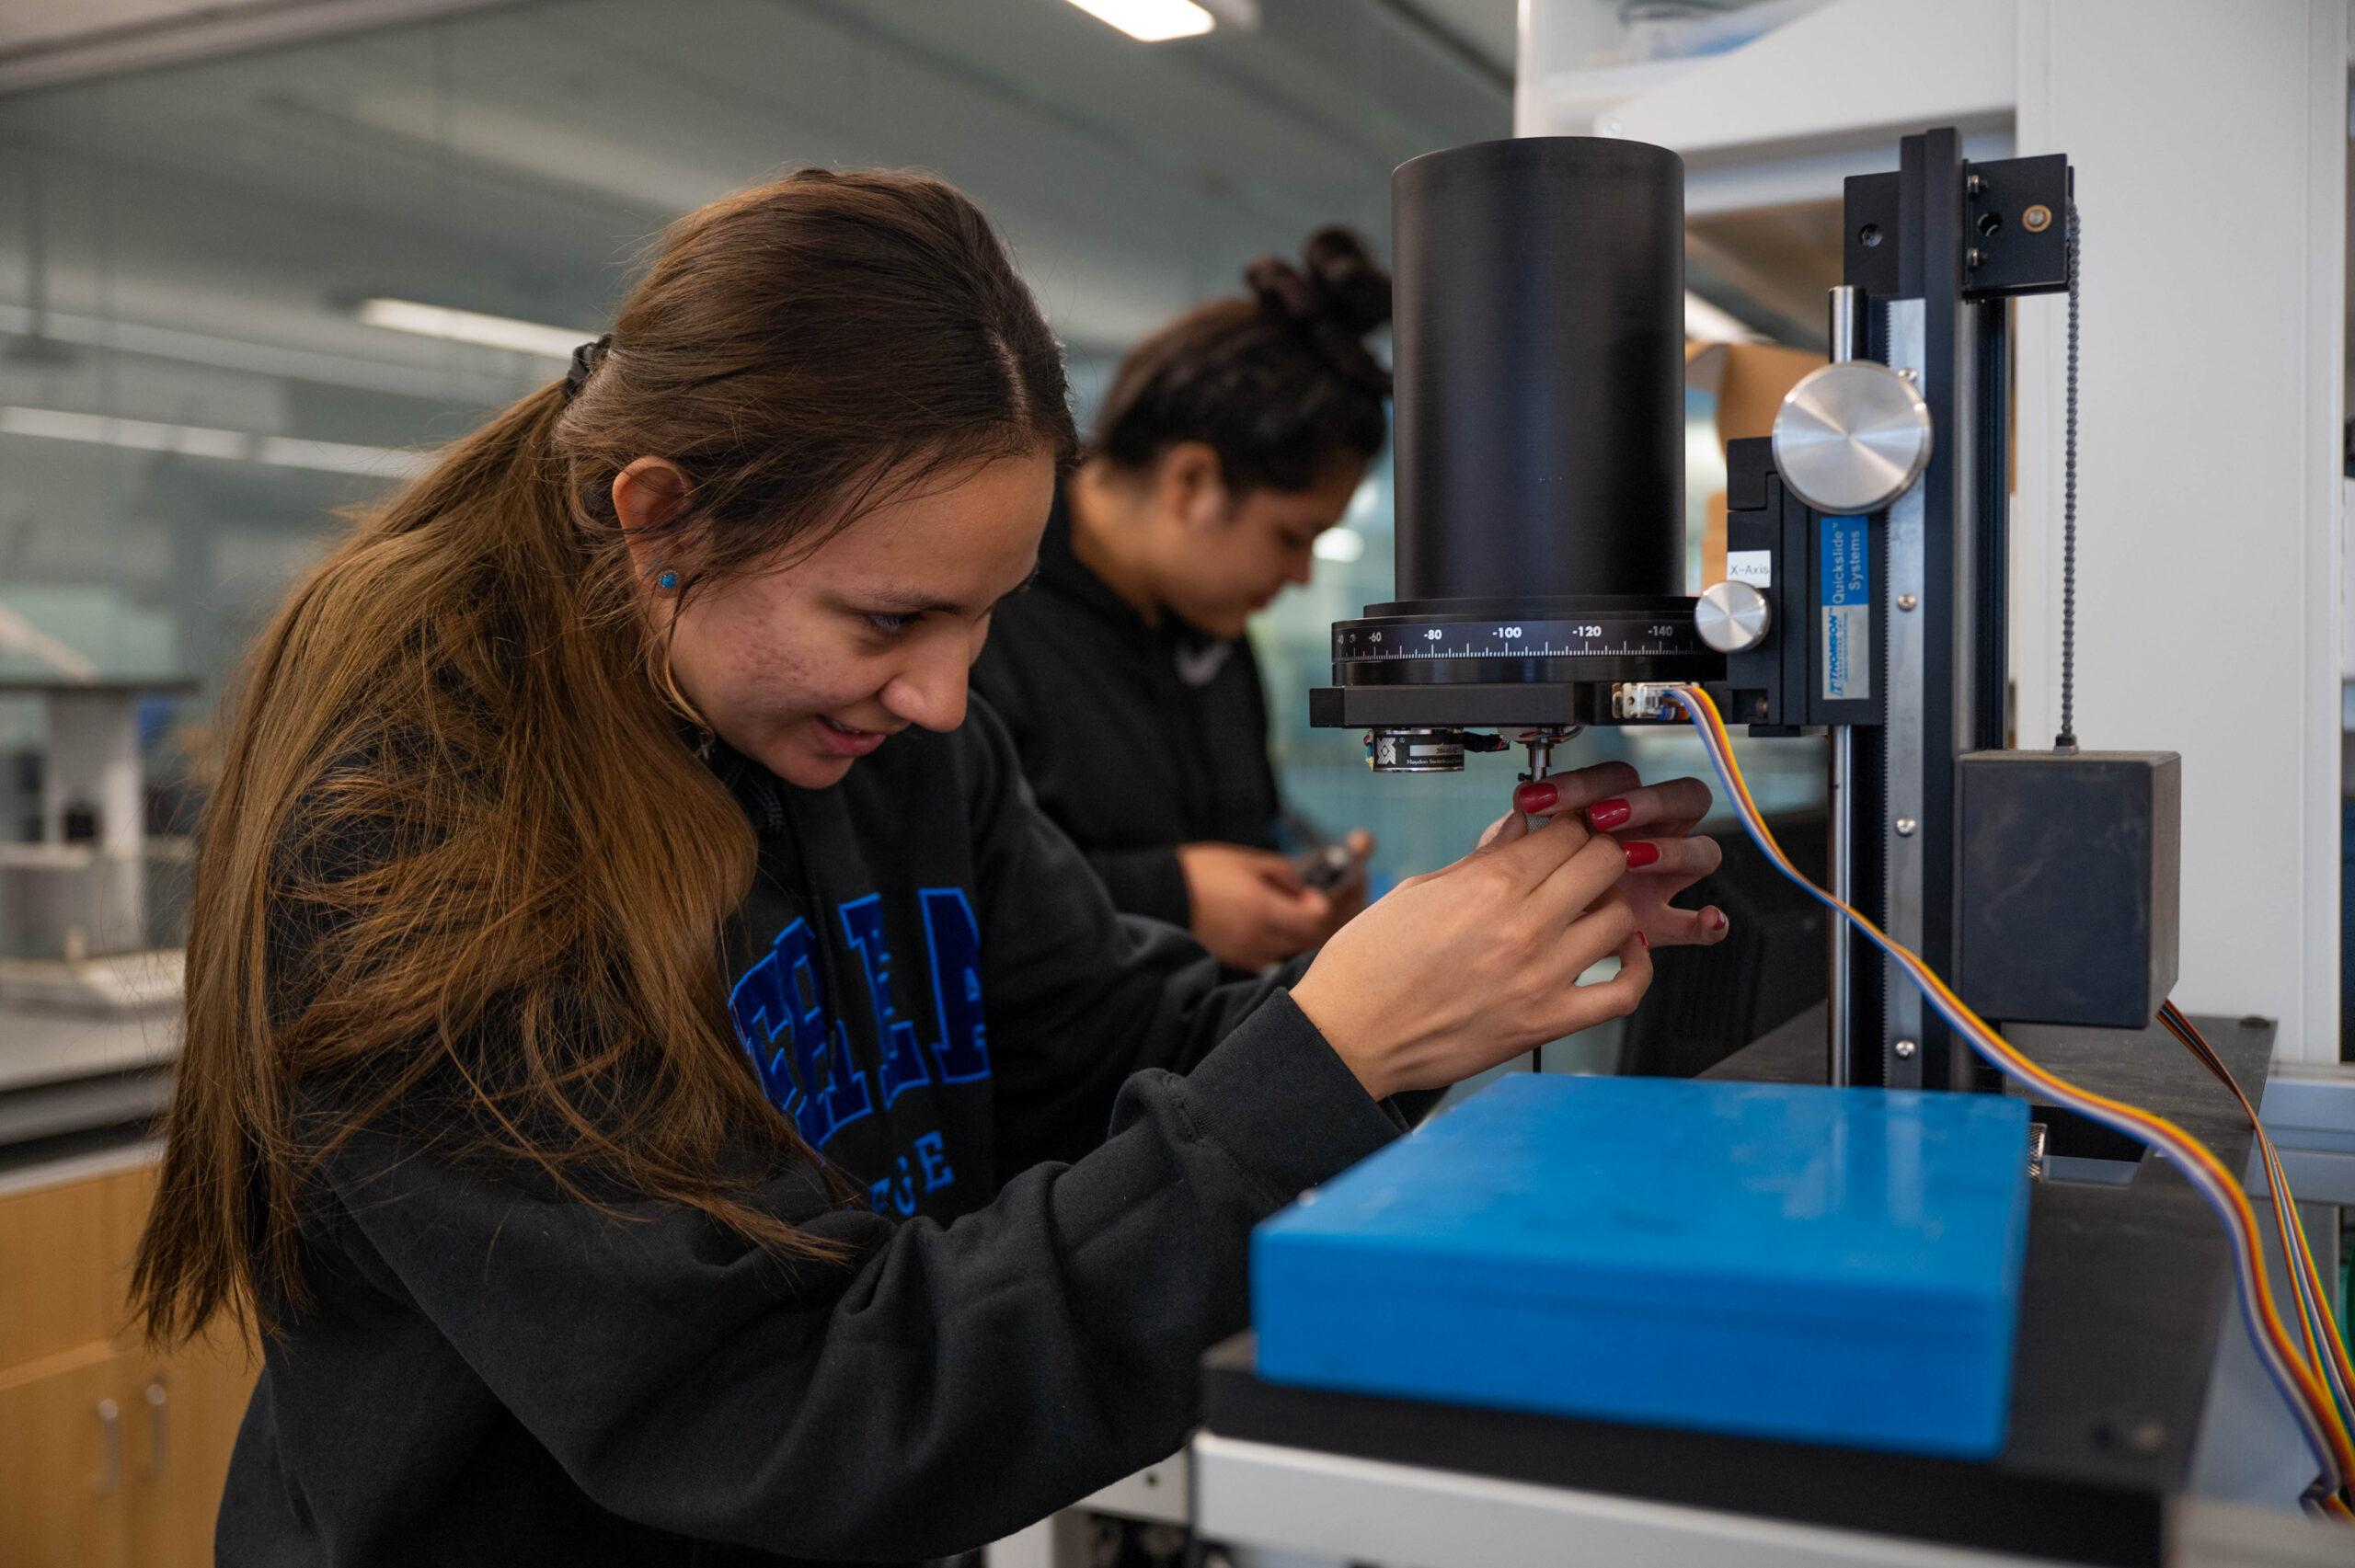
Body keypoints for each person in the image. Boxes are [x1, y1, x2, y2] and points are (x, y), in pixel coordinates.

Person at [130, 169, 1725, 1567]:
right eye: (891, 619)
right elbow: (785, 1407)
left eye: (985, 615)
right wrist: (1327, 1057)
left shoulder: (874, 740)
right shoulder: (420, 851)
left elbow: (1105, 1042)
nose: (947, 699)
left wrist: (1429, 977)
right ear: (660, 521)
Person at [971, 228, 1388, 971]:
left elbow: (1244, 828)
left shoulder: (1210, 629)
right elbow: (939, 889)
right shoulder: (981, 612)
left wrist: (1293, 888)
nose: (1300, 575)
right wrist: (1171, 897)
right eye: (1291, 536)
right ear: (1191, 482)